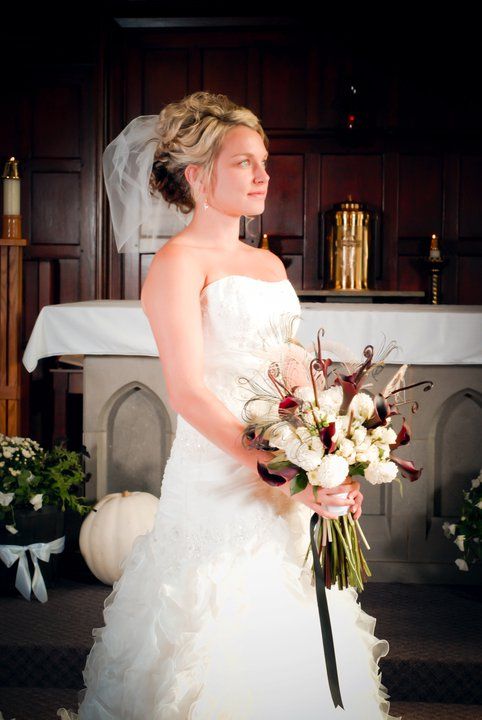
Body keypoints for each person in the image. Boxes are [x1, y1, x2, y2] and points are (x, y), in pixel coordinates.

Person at [58, 91, 400, 719]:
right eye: (244, 162)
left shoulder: (267, 263)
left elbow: (293, 368)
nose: (263, 175)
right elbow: (188, 392)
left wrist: (331, 458)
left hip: (286, 470)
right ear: (197, 176)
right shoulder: (176, 264)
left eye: (263, 162)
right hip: (218, 477)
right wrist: (284, 473)